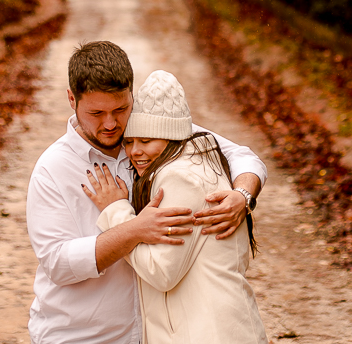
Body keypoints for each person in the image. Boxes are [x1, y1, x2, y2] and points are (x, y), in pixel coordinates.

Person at [27, 41, 266, 344]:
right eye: (96, 112)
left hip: (153, 335)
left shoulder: (152, 133)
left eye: (120, 109)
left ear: (131, 94)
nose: (111, 124)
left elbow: (242, 156)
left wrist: (242, 196)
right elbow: (58, 263)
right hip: (82, 336)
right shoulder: (53, 168)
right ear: (71, 99)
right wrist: (132, 230)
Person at [83, 70, 268, 344]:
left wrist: (117, 211)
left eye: (146, 141)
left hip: (207, 333)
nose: (135, 152)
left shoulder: (179, 177)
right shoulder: (199, 162)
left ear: (172, 138)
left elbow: (162, 273)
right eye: (130, 142)